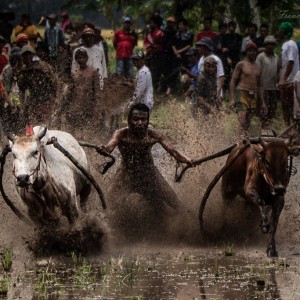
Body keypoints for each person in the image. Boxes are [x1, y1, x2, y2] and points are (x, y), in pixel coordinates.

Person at [96, 103, 194, 236]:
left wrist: (187, 160)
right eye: (136, 119)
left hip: (149, 174)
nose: (140, 123)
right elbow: (109, 147)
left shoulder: (154, 135)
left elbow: (173, 151)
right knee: (108, 200)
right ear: (129, 120)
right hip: (126, 174)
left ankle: (190, 227)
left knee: (173, 201)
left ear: (148, 121)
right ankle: (106, 232)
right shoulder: (121, 134)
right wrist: (103, 149)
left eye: (143, 119)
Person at [17, 45, 57, 126]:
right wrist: (22, 106)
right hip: (33, 101)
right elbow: (22, 91)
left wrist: (56, 98)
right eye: (25, 55)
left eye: (29, 54)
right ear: (22, 56)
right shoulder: (23, 72)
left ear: (32, 55)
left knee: (46, 125)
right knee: (35, 126)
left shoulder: (43, 66)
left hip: (46, 99)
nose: (27, 57)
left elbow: (54, 81)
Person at [65, 48, 101, 138]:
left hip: (88, 106)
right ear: (76, 60)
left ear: (87, 58)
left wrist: (97, 107)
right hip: (75, 105)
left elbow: (97, 91)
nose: (81, 60)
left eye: (83, 57)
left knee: (86, 131)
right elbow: (70, 91)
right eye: (79, 58)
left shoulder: (93, 72)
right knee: (73, 131)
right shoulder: (74, 74)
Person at [229, 42, 265, 134]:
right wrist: (232, 98)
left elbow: (260, 85)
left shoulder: (259, 67)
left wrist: (263, 102)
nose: (252, 53)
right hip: (241, 92)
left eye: (254, 51)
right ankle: (237, 141)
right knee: (242, 118)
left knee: (248, 121)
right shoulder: (241, 64)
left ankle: (244, 139)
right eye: (250, 51)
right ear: (246, 52)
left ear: (256, 52)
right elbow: (233, 81)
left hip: (253, 95)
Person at [255, 36, 280, 129]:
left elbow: (277, 72)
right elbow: (257, 74)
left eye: (272, 44)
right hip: (263, 88)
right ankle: (262, 131)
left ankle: (267, 131)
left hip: (273, 88)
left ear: (274, 45)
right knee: (263, 113)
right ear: (265, 45)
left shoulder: (276, 57)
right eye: (268, 44)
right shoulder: (260, 57)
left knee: (271, 113)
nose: (270, 46)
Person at [278, 22, 299, 126]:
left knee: (291, 105)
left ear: (284, 31)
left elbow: (291, 62)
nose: (279, 31)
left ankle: (294, 130)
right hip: (286, 81)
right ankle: (288, 127)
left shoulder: (290, 44)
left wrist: (284, 78)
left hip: (290, 81)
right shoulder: (285, 44)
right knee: (284, 105)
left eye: (280, 29)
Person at [143, 15, 165, 92]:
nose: (150, 25)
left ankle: (153, 89)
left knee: (155, 73)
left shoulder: (160, 33)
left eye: (151, 23)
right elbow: (145, 42)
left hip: (157, 55)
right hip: (149, 54)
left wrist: (151, 44)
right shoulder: (149, 33)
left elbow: (156, 43)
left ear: (156, 24)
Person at [221, 21, 242, 91]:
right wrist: (227, 57)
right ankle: (226, 90)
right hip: (227, 58)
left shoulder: (239, 37)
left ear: (235, 27)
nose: (231, 28)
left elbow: (238, 47)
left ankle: (235, 90)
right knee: (226, 75)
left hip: (236, 58)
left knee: (236, 75)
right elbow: (223, 49)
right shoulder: (225, 37)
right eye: (229, 26)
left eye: (232, 26)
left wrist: (228, 48)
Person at [161, 16, 177, 96]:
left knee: (172, 72)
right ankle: (165, 88)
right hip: (164, 54)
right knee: (165, 72)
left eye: (171, 22)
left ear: (174, 23)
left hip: (173, 55)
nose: (169, 24)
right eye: (168, 22)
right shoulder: (164, 32)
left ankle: (170, 89)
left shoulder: (176, 33)